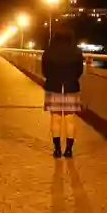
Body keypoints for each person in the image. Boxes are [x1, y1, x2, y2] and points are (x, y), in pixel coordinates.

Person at [41, 26, 84, 158]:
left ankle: (57, 150)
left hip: (53, 86)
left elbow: (44, 71)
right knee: (70, 119)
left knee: (56, 119)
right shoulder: (76, 52)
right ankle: (69, 150)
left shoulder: (48, 51)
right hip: (71, 86)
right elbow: (79, 71)